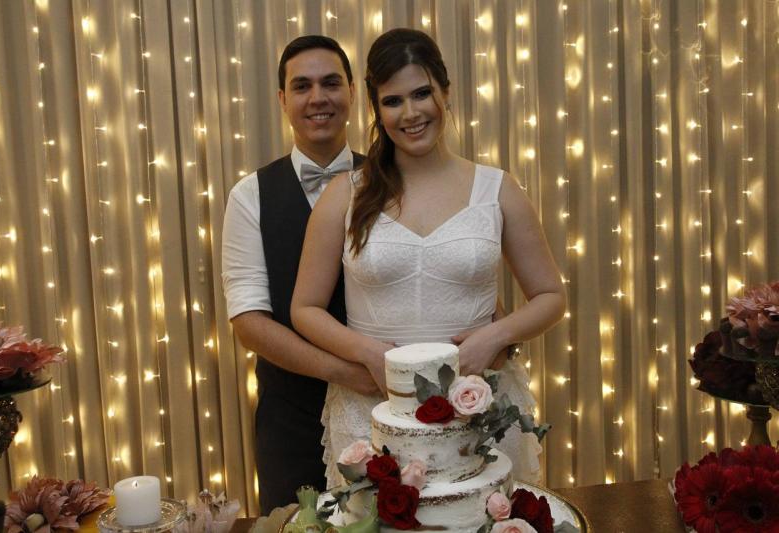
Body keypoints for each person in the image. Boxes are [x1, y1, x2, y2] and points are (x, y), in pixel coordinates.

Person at [291, 28, 566, 487]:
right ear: (377, 110)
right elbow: (305, 308)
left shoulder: (497, 188)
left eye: (422, 93)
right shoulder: (345, 194)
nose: (411, 113)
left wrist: (495, 336)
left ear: (446, 92)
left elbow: (551, 296)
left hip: (479, 408)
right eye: (393, 101)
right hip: (372, 413)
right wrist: (368, 354)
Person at [221, 35, 378, 512]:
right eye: (302, 86)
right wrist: (347, 373)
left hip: (385, 414)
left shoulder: (395, 183)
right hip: (291, 422)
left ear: (352, 92)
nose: (318, 97)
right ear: (282, 99)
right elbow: (249, 323)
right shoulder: (250, 195)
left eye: (331, 83)